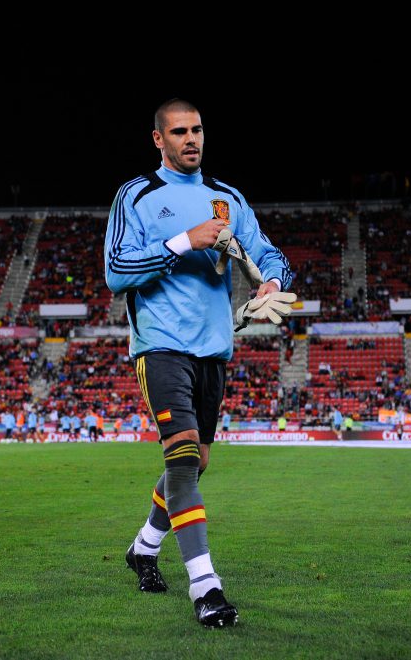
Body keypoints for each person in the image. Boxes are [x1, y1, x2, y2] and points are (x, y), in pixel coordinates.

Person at [105, 98, 292, 628]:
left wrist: (272, 283)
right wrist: (185, 240)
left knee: (197, 463)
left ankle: (144, 547)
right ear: (158, 140)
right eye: (179, 131)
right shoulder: (136, 195)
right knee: (184, 462)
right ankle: (206, 589)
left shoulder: (227, 197)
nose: (191, 139)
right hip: (161, 347)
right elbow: (117, 270)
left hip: (214, 352)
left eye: (198, 130)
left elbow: (269, 252)